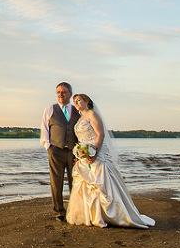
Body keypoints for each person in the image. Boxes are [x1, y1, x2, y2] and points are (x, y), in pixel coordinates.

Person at [66, 93, 155, 228]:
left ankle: (111, 215)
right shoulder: (80, 118)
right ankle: (89, 215)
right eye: (75, 101)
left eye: (79, 100)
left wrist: (94, 151)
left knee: (101, 182)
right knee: (84, 182)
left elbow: (100, 135)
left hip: (96, 151)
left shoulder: (92, 115)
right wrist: (80, 153)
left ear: (87, 101)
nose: (77, 103)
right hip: (84, 154)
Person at [40, 81, 80, 221]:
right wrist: (48, 147)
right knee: (56, 182)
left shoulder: (77, 110)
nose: (60, 94)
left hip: (74, 152)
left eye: (63, 92)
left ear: (70, 94)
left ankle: (74, 209)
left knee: (74, 182)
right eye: (58, 92)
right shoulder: (50, 109)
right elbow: (45, 129)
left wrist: (81, 151)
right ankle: (59, 211)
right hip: (56, 151)